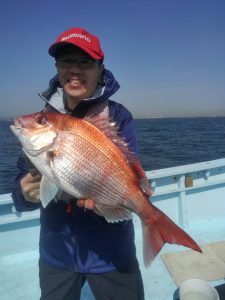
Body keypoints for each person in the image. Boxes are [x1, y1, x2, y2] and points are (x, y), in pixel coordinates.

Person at [12, 27, 145, 300]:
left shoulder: (117, 116)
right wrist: (24, 195)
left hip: (111, 252)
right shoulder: (43, 122)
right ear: (57, 68)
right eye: (66, 62)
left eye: (84, 62)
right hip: (56, 253)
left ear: (100, 68)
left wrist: (110, 204)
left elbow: (129, 172)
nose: (74, 70)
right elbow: (22, 177)